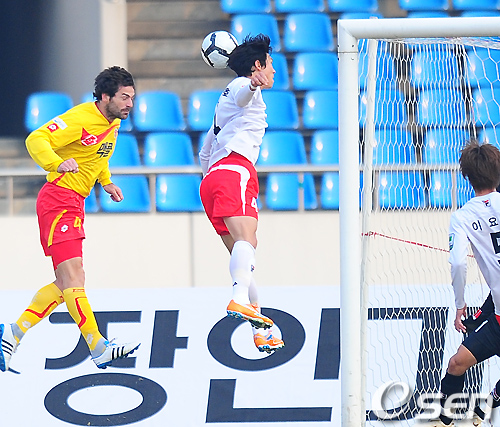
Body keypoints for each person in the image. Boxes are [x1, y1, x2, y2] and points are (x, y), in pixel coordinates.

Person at [0, 66, 140, 373]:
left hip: (74, 202)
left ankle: (13, 333)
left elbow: (97, 155)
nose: (130, 104)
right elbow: (36, 139)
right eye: (124, 97)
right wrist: (56, 163)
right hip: (59, 200)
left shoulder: (113, 122)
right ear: (105, 97)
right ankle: (98, 347)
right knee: (74, 278)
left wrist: (106, 182)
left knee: (68, 283)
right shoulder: (80, 118)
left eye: (132, 97)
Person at [199, 34, 284, 353]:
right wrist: (252, 84)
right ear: (257, 65)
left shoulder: (220, 111)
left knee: (242, 254)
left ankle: (261, 328)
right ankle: (238, 299)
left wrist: (213, 180)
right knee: (248, 241)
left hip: (212, 180)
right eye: (270, 64)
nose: (273, 70)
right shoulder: (240, 87)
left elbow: (205, 152)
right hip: (235, 170)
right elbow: (243, 93)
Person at [427, 140, 500, 427]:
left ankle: (486, 404)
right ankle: (446, 420)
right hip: (498, 315)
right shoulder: (464, 216)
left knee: (455, 365)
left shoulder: (462, 217)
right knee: (457, 363)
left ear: (467, 177)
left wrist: (460, 305)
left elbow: (458, 263)